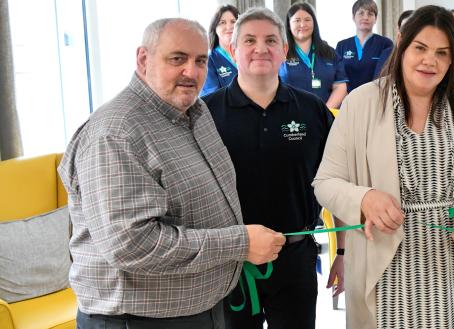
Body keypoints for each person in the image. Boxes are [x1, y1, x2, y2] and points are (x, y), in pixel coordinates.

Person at [60, 18, 285, 329]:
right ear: (143, 59)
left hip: (202, 310)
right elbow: (132, 244)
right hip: (138, 321)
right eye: (177, 58)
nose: (191, 72)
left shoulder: (195, 111)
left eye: (200, 61)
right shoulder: (114, 134)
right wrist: (240, 244)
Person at [312, 6, 454, 328]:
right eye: (420, 48)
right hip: (388, 275)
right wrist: (365, 199)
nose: (429, 61)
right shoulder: (361, 103)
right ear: (403, 44)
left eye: (441, 53)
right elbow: (326, 181)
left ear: (452, 59)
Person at [201, 8, 331, 328]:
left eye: (271, 40)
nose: (261, 48)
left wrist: (342, 255)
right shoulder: (205, 115)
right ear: (233, 50)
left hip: (296, 260)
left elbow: (334, 180)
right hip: (231, 266)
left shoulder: (312, 109)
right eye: (250, 40)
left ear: (284, 50)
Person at [280, 3, 348, 108]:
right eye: (297, 20)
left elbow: (340, 86)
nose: (302, 24)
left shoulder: (330, 53)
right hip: (290, 117)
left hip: (325, 118)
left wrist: (325, 112)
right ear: (289, 25)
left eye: (307, 20)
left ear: (314, 23)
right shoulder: (280, 53)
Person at [336, 0, 394, 92]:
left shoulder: (386, 44)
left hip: (375, 97)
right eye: (361, 13)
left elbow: (385, 76)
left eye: (370, 14)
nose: (365, 17)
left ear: (375, 19)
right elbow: (338, 77)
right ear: (353, 17)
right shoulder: (342, 45)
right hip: (346, 98)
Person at [202, 5, 240, 96]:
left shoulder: (249, 54)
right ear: (215, 28)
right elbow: (211, 97)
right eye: (222, 22)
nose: (229, 27)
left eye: (233, 22)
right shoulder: (209, 60)